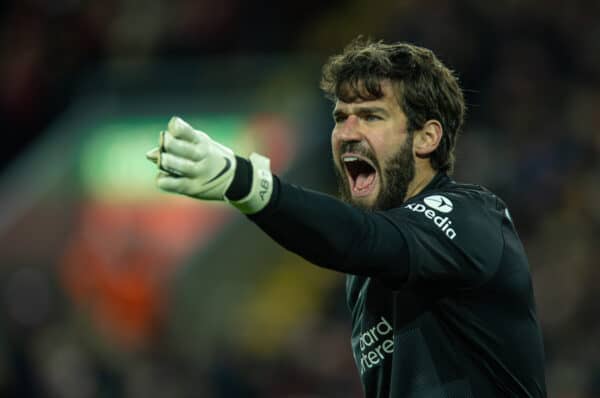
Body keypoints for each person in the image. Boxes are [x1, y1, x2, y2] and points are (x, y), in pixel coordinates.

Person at [145, 38, 547, 397]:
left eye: (371, 116)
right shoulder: (363, 274)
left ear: (427, 137)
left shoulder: (471, 216)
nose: (347, 133)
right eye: (341, 117)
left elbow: (365, 239)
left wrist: (246, 182)